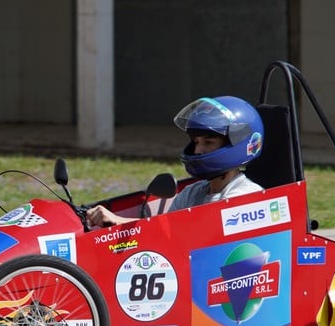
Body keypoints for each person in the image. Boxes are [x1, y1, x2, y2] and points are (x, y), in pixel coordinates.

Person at [85, 96, 264, 228]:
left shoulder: (246, 197)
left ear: (238, 144)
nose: (198, 150)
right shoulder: (192, 192)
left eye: (208, 142)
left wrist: (119, 221)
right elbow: (164, 233)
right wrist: (116, 222)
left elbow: (194, 236)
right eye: (196, 142)